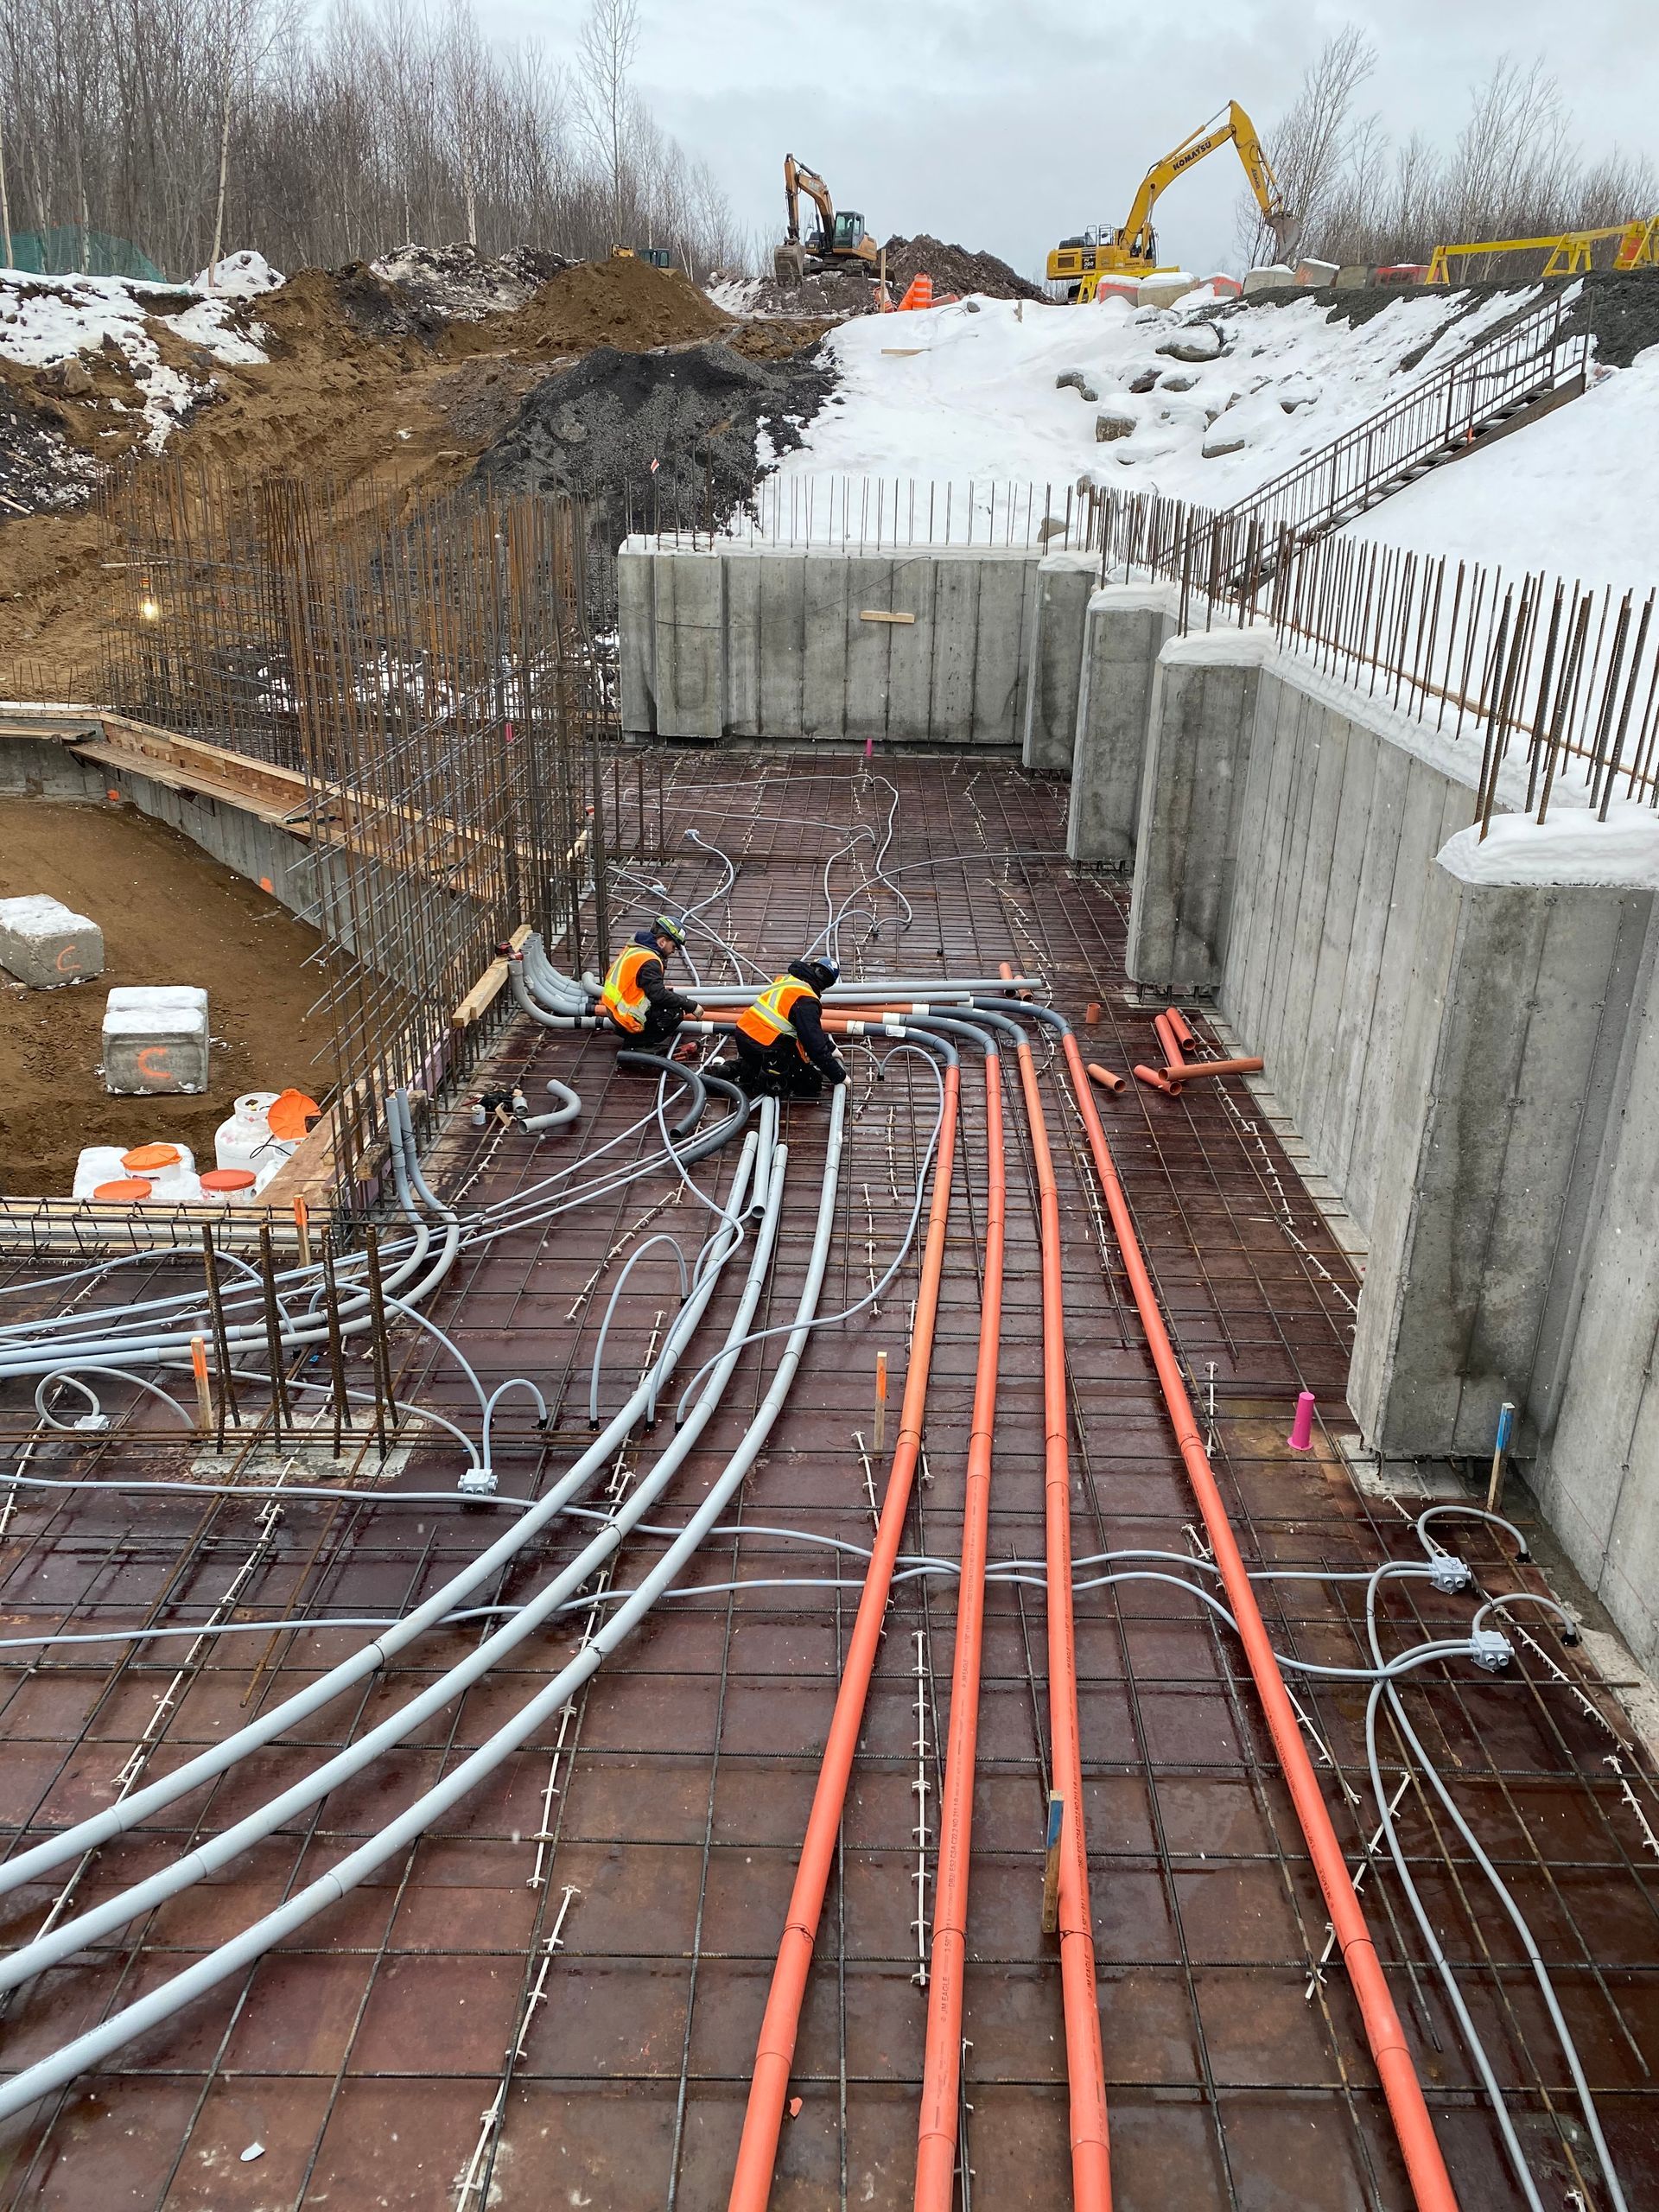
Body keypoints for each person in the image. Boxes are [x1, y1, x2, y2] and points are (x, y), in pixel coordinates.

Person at [732, 957, 849, 1101]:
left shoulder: (790, 981)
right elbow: (814, 1046)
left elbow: (808, 1027)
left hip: (744, 1034)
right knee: (811, 1083)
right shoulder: (806, 1000)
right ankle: (760, 1077)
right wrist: (839, 1076)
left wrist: (830, 1048)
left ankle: (740, 1068)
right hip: (764, 1046)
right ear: (827, 985)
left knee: (769, 1062)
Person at [600, 915, 702, 1059]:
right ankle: (637, 1045)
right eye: (673, 946)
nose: (673, 951)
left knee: (670, 998)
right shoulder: (650, 961)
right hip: (625, 1016)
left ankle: (631, 1034)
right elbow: (658, 995)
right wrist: (690, 1005)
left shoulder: (637, 949)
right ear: (662, 942)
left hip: (615, 1009)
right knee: (674, 1012)